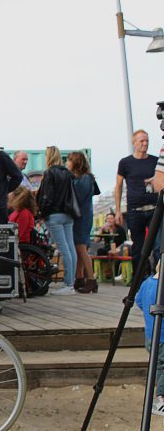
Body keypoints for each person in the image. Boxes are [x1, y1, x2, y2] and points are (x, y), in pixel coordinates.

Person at [115, 129, 159, 275]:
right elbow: (119, 186)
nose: (145, 143)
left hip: (154, 208)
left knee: (158, 245)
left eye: (147, 140)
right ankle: (139, 281)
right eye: (142, 141)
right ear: (134, 143)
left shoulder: (155, 161)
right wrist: (118, 211)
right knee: (138, 248)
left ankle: (158, 279)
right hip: (135, 210)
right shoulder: (125, 163)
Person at [37, 146, 78, 296]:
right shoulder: (67, 173)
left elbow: (47, 197)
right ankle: (71, 282)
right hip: (68, 214)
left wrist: (42, 212)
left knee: (63, 248)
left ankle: (68, 284)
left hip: (54, 214)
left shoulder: (49, 173)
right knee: (70, 248)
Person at [135, 264, 164, 415]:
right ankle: (162, 399)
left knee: (158, 366)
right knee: (163, 367)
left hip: (150, 334)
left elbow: (138, 301)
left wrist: (149, 313)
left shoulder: (147, 283)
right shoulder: (162, 287)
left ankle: (160, 398)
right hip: (163, 336)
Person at [68, 151, 98, 294]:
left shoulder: (83, 179)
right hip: (83, 216)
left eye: (69, 161)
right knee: (79, 248)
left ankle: (91, 279)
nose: (67, 164)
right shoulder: (87, 178)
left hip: (81, 217)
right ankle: (79, 278)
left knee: (81, 248)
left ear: (75, 162)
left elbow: (77, 198)